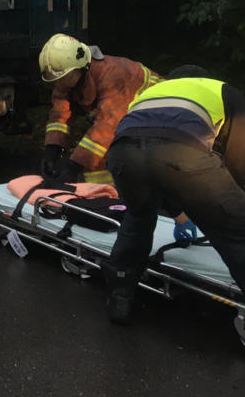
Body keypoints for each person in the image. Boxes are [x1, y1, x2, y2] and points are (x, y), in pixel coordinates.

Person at [103, 66, 245, 325]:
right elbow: (239, 159)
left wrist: (180, 214)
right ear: (201, 77)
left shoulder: (151, 93)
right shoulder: (220, 90)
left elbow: (154, 162)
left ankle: (119, 297)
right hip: (180, 153)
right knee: (237, 231)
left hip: (123, 154)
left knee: (138, 218)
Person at [39, 33, 161, 185]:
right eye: (56, 81)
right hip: (131, 123)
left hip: (158, 120)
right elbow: (59, 115)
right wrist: (52, 149)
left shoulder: (114, 75)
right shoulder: (69, 79)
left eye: (64, 78)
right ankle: (98, 200)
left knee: (101, 157)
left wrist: (73, 166)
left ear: (80, 67)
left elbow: (106, 128)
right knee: (93, 160)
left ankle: (111, 200)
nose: (60, 84)